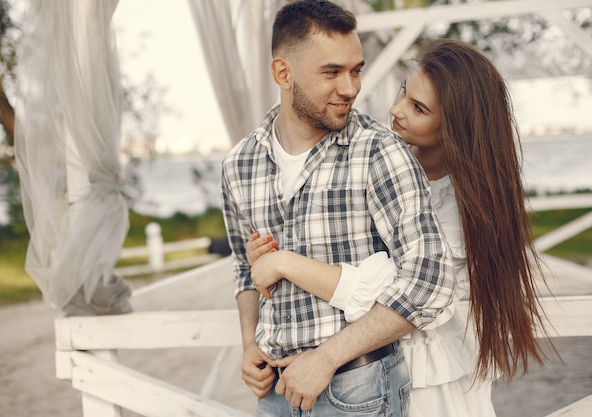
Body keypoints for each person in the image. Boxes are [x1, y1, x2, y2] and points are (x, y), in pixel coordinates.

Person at [247, 38, 555, 416]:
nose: (396, 110)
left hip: (424, 372)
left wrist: (285, 264)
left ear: (454, 127)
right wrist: (265, 255)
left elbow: (398, 285)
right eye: (403, 92)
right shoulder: (384, 166)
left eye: (418, 108)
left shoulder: (461, 206)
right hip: (367, 368)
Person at [221, 1, 455, 415]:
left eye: (356, 70)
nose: (350, 88)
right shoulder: (239, 164)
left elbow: (429, 280)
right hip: (274, 395)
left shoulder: (379, 151)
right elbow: (245, 268)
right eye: (331, 72)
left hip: (358, 391)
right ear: (283, 73)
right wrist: (248, 345)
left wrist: (326, 359)